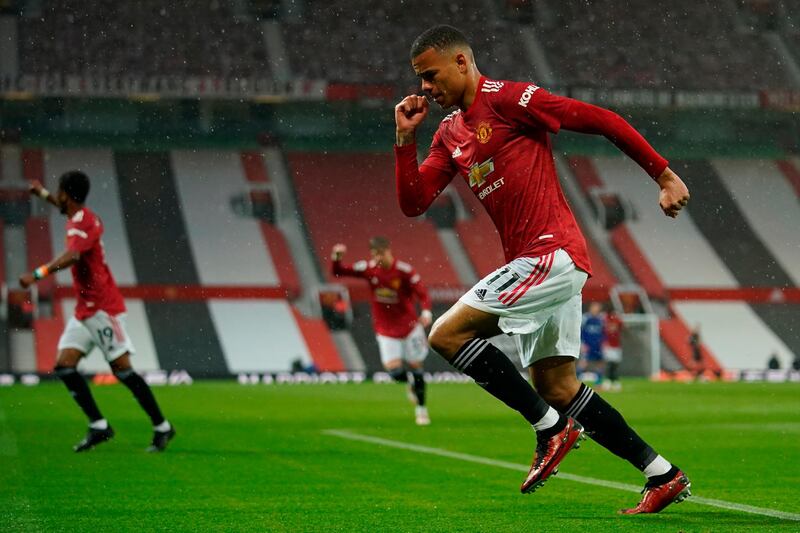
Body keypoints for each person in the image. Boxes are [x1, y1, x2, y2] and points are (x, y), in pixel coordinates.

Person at [394, 25, 691, 513]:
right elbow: (414, 202)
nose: (425, 87)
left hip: (551, 255)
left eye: (431, 75)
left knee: (444, 336)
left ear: (462, 63)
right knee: (555, 384)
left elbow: (598, 118)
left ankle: (550, 427)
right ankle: (662, 474)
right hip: (537, 265)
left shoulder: (510, 99)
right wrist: (404, 140)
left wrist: (663, 173)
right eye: (420, 79)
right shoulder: (449, 133)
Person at [20, 171, 175, 453]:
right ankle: (99, 426)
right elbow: (64, 209)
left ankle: (162, 426)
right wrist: (43, 195)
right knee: (65, 365)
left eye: (59, 192)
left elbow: (73, 256)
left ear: (67, 193)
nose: (58, 196)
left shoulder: (84, 221)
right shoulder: (79, 217)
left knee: (123, 371)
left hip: (104, 309)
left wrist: (37, 273)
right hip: (85, 310)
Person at [331, 237, 433, 425]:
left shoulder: (404, 271)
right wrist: (336, 258)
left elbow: (422, 292)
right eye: (374, 254)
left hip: (410, 327)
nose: (377, 258)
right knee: (395, 373)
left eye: (380, 253)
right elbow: (338, 272)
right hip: (386, 330)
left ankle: (421, 410)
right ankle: (410, 385)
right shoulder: (368, 269)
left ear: (388, 250)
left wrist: (426, 310)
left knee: (417, 369)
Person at [580, 302, 605, 386]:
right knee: (584, 363)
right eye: (594, 307)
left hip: (597, 345)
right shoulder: (586, 318)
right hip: (587, 345)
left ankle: (598, 382)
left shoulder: (600, 319)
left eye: (597, 308)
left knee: (600, 363)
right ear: (590, 308)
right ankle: (577, 379)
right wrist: (582, 344)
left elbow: (603, 332)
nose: (596, 309)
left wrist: (603, 342)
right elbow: (580, 331)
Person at [603, 309, 624, 391]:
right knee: (609, 365)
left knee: (614, 365)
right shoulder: (605, 319)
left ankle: (614, 382)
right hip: (609, 346)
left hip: (616, 346)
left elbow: (622, 327)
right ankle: (609, 382)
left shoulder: (617, 320)